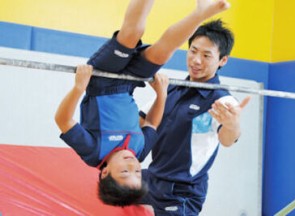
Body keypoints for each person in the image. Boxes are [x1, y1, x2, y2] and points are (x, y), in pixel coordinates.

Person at [55, 0, 231, 207]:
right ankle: (200, 13)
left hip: (102, 81)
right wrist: (161, 95)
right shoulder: (138, 153)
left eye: (124, 171)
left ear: (104, 173)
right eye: (138, 172)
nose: (132, 165)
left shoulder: (94, 153)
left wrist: (79, 88)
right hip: (129, 82)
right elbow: (152, 124)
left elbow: (63, 120)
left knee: (133, 32)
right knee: (164, 51)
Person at [139, 19, 251, 215]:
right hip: (151, 179)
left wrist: (232, 125)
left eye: (207, 55)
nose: (196, 61)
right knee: (110, 181)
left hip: (181, 192)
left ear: (222, 60)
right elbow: (141, 121)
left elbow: (227, 139)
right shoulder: (172, 89)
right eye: (193, 51)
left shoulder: (223, 101)